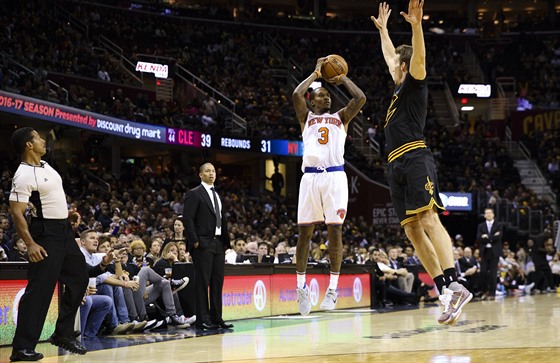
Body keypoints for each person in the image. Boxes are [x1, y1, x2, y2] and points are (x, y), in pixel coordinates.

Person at [371, 1, 472, 325]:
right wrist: (384, 31)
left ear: (404, 66)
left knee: (428, 219)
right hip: (395, 166)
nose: (393, 67)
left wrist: (416, 26)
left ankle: (456, 280)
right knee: (412, 231)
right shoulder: (398, 88)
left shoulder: (414, 84)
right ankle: (445, 290)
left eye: (397, 65)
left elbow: (419, 58)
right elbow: (390, 57)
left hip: (415, 156)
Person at [292, 55, 366, 315]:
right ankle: (301, 288)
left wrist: (342, 78)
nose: (327, 98)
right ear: (313, 100)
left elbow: (360, 99)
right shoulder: (306, 118)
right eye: (322, 95)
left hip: (334, 177)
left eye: (329, 96)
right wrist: (315, 74)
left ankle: (332, 290)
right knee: (305, 234)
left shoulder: (341, 117)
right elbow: (296, 94)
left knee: (335, 231)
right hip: (310, 177)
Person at [9, 127, 89, 361]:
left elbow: (50, 197)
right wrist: (30, 244)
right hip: (45, 234)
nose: (43, 140)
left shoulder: (45, 166)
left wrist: (67, 215)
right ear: (29, 145)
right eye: (37, 137)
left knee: (79, 278)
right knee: (40, 290)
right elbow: (16, 212)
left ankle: (63, 333)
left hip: (62, 230)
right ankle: (22, 347)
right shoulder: (22, 174)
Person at [183, 163, 233, 330]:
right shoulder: (194, 193)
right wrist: (194, 241)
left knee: (217, 282)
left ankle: (216, 318)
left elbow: (221, 219)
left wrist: (226, 242)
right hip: (203, 243)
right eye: (207, 171)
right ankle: (203, 319)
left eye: (213, 171)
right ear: (200, 175)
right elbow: (188, 219)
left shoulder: (217, 195)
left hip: (218, 243)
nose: (211, 174)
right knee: (202, 283)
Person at [476, 208, 503, 300]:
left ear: (493, 214)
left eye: (490, 213)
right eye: (486, 213)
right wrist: (492, 237)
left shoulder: (498, 225)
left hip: (494, 252)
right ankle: (484, 291)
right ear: (484, 215)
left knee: (493, 273)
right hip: (484, 252)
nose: (488, 214)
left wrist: (487, 237)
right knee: (483, 272)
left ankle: (492, 293)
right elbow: (479, 238)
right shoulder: (481, 226)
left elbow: (498, 237)